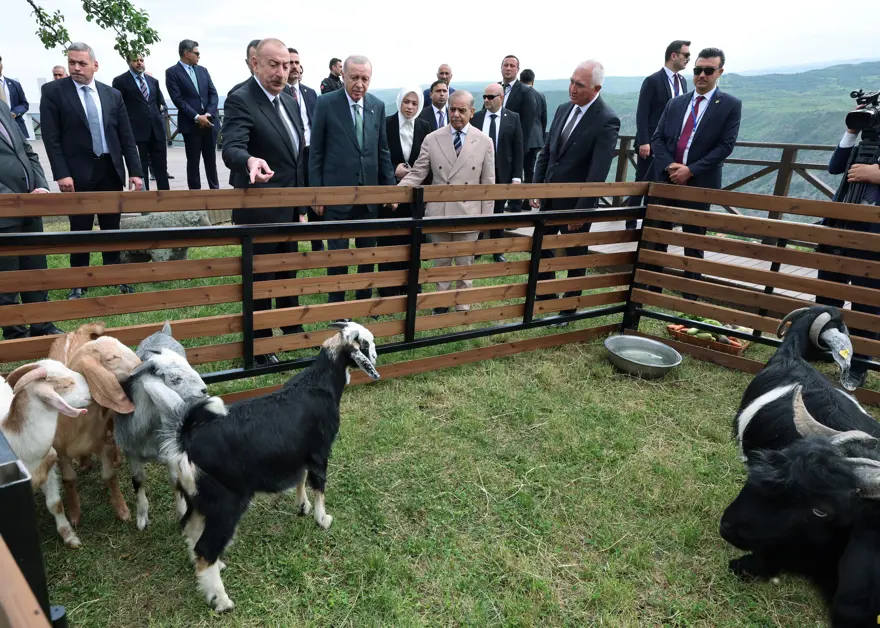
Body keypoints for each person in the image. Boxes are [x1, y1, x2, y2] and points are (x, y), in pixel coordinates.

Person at [222, 38, 306, 366]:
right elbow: (231, 146)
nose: (281, 72)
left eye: (286, 65)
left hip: (289, 207)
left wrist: (301, 207)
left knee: (287, 272)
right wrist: (249, 160)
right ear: (255, 63)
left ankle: (290, 326)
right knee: (261, 279)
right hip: (259, 208)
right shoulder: (241, 98)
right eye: (273, 65)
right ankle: (259, 343)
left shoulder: (289, 100)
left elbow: (296, 158)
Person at [39, 42, 143, 300]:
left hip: (109, 169)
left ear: (95, 65)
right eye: (72, 62)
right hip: (76, 173)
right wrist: (61, 173)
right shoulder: (54, 92)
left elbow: (126, 135)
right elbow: (51, 138)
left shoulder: (112, 95)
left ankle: (114, 276)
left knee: (111, 227)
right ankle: (79, 282)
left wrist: (135, 171)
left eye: (82, 63)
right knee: (80, 228)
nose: (76, 68)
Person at [530, 60, 620, 325]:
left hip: (576, 203)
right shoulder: (563, 109)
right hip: (549, 197)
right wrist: (536, 187)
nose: (572, 88)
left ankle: (569, 307)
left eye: (579, 85)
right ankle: (546, 296)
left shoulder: (606, 119)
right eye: (571, 81)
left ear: (596, 88)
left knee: (574, 255)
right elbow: (547, 153)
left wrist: (581, 210)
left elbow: (597, 172)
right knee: (541, 247)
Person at [649, 47, 742, 296]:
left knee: (694, 239)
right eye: (698, 69)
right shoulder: (676, 103)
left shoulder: (730, 105)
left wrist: (691, 170)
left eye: (708, 71)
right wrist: (670, 166)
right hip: (668, 178)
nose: (702, 75)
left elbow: (726, 146)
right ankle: (652, 287)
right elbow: (657, 138)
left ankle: (691, 293)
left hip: (700, 182)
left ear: (719, 72)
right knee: (658, 235)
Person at [309, 54, 395, 304]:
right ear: (343, 76)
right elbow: (316, 151)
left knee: (367, 254)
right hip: (336, 196)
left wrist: (390, 189)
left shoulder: (377, 105)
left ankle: (363, 301)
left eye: (365, 79)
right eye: (354, 78)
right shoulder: (326, 103)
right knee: (337, 254)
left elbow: (382, 151)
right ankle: (336, 303)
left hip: (369, 197)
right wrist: (317, 194)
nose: (359, 84)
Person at [399, 90, 495, 313]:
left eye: (462, 110)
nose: (456, 114)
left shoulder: (485, 141)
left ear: (472, 112)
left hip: (469, 214)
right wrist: (396, 192)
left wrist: (486, 219)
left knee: (464, 262)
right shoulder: (432, 139)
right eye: (452, 109)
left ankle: (462, 304)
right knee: (440, 261)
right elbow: (418, 173)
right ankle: (440, 303)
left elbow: (488, 184)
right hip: (439, 212)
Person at [814, 108, 880, 389]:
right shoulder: (865, 142)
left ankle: (860, 364)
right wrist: (852, 131)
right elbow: (835, 166)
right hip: (840, 224)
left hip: (874, 235)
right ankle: (823, 346)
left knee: (867, 300)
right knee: (828, 292)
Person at [0, 97, 64, 339]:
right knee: (8, 277)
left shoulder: (2, 107)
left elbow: (27, 151)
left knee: (36, 270)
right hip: (4, 212)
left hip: (30, 206)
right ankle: (16, 333)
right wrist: (13, 200)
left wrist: (41, 186)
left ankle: (42, 326)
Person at [628, 40, 691, 227]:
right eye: (686, 55)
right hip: (650, 144)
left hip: (671, 145)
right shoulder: (653, 80)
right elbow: (642, 113)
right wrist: (644, 141)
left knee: (661, 185)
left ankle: (651, 225)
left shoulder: (683, 81)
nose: (689, 59)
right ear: (674, 55)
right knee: (641, 183)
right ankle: (630, 223)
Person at [377, 86, 431, 297]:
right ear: (399, 101)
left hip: (414, 195)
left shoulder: (425, 126)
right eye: (406, 102)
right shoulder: (386, 123)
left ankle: (411, 285)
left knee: (412, 239)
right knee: (388, 239)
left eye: (414, 103)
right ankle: (388, 287)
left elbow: (428, 160)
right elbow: (377, 156)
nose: (409, 107)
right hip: (390, 192)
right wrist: (393, 170)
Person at [472, 82, 522, 260]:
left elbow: (518, 149)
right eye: (484, 96)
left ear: (501, 97)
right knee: (477, 210)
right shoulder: (476, 118)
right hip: (478, 173)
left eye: (490, 97)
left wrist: (517, 177)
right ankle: (476, 248)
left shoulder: (513, 118)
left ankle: (497, 250)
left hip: (502, 173)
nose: (486, 100)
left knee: (498, 213)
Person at [165, 39, 219, 190]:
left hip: (209, 123)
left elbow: (213, 94)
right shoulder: (172, 73)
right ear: (186, 54)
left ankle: (215, 192)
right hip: (191, 125)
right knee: (193, 162)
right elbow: (178, 100)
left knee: (211, 161)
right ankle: (195, 194)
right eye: (197, 53)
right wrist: (197, 117)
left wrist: (208, 114)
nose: (199, 56)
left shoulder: (203, 70)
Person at [112, 53, 169, 191]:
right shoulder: (120, 81)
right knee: (141, 167)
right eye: (135, 60)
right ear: (128, 62)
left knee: (161, 166)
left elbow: (158, 103)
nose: (139, 63)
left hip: (156, 131)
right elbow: (117, 107)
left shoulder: (153, 81)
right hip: (136, 131)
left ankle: (166, 196)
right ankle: (145, 197)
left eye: (141, 60)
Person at [287, 47, 323, 252]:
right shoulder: (279, 93)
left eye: (297, 62)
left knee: (314, 195)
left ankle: (317, 243)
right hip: (291, 155)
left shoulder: (310, 93)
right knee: (294, 199)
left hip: (310, 151)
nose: (294, 66)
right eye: (290, 62)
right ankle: (291, 243)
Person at [519, 68, 546, 209]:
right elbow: (543, 118)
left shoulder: (520, 94)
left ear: (520, 80)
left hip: (522, 137)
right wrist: (541, 137)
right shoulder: (540, 95)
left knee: (517, 170)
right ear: (533, 81)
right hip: (536, 138)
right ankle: (528, 200)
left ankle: (516, 201)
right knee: (530, 169)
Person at [0, 56, 31, 138]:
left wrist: (14, 113)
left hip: (15, 125)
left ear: (1, 65)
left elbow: (24, 104)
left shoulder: (15, 84)